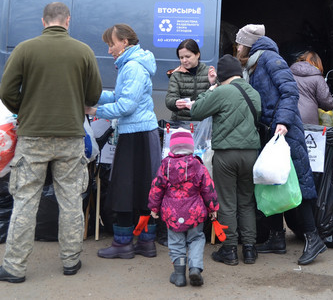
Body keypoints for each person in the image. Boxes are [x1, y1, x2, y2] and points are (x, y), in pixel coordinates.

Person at [0, 2, 102, 283]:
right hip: (71, 137)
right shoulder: (83, 51)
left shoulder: (25, 49)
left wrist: (25, 109)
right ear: (68, 20)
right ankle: (71, 261)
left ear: (43, 21)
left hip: (33, 137)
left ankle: (14, 268)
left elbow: (6, 91)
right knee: (71, 200)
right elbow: (94, 95)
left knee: (26, 200)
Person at [235, 24, 326, 265]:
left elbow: (290, 91)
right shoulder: (254, 63)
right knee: (271, 182)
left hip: (285, 131)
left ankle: (313, 238)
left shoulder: (270, 59)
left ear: (248, 44)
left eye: (240, 43)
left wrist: (283, 121)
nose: (237, 48)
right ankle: (276, 237)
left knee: (296, 185)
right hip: (269, 131)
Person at [86, 23, 161, 260]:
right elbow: (119, 96)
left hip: (136, 135)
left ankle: (124, 243)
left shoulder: (133, 67)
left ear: (125, 42)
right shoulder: (132, 65)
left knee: (125, 190)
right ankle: (145, 243)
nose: (109, 50)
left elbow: (125, 106)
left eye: (111, 44)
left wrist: (94, 109)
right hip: (139, 133)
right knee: (141, 190)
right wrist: (91, 93)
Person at [188, 54, 261, 266]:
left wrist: (210, 88)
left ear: (222, 76)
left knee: (227, 202)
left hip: (227, 154)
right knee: (247, 201)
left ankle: (229, 249)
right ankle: (249, 250)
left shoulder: (222, 91)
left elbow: (196, 111)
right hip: (251, 154)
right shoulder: (253, 92)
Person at [148, 128, 219, 287]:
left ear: (172, 147)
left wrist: (154, 207)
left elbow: (157, 187)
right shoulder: (198, 165)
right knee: (196, 238)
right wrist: (213, 207)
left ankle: (179, 275)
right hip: (195, 212)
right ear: (191, 147)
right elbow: (208, 188)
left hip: (172, 212)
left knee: (176, 241)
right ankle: (194, 268)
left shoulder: (165, 166)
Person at [165, 39, 216, 121]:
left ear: (197, 55)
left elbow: (218, 98)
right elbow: (169, 99)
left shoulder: (209, 72)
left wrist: (213, 83)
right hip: (181, 122)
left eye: (188, 56)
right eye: (181, 57)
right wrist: (175, 103)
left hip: (203, 123)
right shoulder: (176, 75)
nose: (184, 60)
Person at [290, 51, 333, 124]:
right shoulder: (318, 77)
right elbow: (327, 103)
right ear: (318, 63)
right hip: (308, 119)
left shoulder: (289, 73)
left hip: (289, 116)